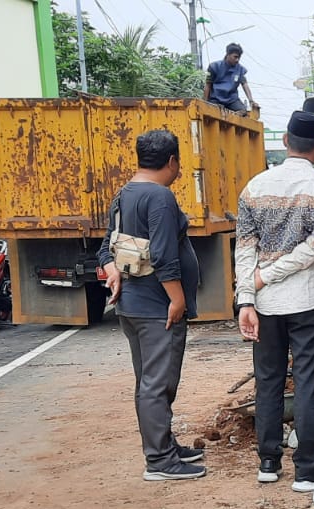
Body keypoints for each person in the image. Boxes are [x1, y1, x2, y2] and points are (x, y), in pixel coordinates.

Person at [235, 111, 314, 491]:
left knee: (267, 381)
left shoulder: (253, 189)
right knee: (307, 382)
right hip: (309, 300)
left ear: (285, 140)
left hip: (265, 304)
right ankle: (307, 467)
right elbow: (313, 250)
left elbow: (245, 251)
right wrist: (266, 278)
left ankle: (268, 462)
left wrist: (247, 297)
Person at [98, 130, 205, 481]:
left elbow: (106, 247)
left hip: (132, 304)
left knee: (149, 380)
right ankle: (159, 460)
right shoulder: (159, 197)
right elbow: (162, 255)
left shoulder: (124, 193)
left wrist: (113, 269)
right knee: (157, 383)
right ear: (172, 161)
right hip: (156, 306)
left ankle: (165, 445)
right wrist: (177, 299)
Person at [204, 43, 258, 114]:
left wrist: (251, 100)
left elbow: (245, 85)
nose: (237, 60)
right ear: (228, 55)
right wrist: (205, 103)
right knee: (215, 110)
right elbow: (207, 85)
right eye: (235, 57)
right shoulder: (214, 67)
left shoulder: (240, 69)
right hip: (216, 99)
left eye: (239, 58)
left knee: (243, 112)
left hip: (232, 100)